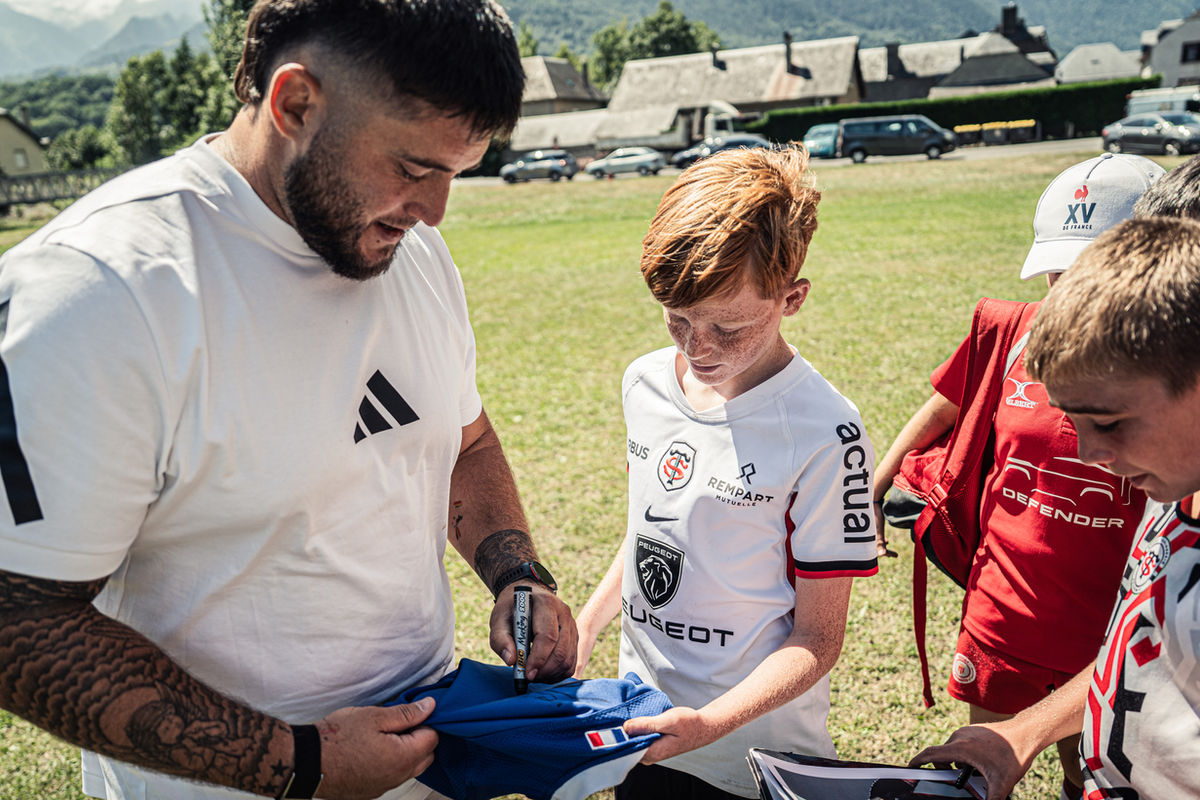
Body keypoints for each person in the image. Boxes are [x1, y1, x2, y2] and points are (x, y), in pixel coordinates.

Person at [0, 2, 577, 799]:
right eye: (413, 168)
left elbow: (464, 444)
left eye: (456, 173)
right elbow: (17, 616)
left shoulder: (415, 252)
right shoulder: (99, 291)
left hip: (433, 760)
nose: (437, 211)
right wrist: (295, 762)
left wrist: (518, 574)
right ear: (296, 103)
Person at [572, 145, 879, 799]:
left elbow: (819, 638)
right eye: (677, 319)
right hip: (645, 734)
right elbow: (653, 531)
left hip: (746, 761)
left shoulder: (828, 431)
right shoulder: (645, 382)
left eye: (729, 326)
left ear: (792, 297)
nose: (698, 346)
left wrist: (711, 723)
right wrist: (587, 625)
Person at [872, 153, 1165, 800]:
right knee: (982, 774)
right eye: (1058, 271)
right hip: (1006, 610)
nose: (1065, 290)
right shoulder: (1016, 332)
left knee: (1093, 775)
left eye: (1086, 272)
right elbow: (952, 399)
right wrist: (879, 480)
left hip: (1111, 616)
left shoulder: (1171, 388)